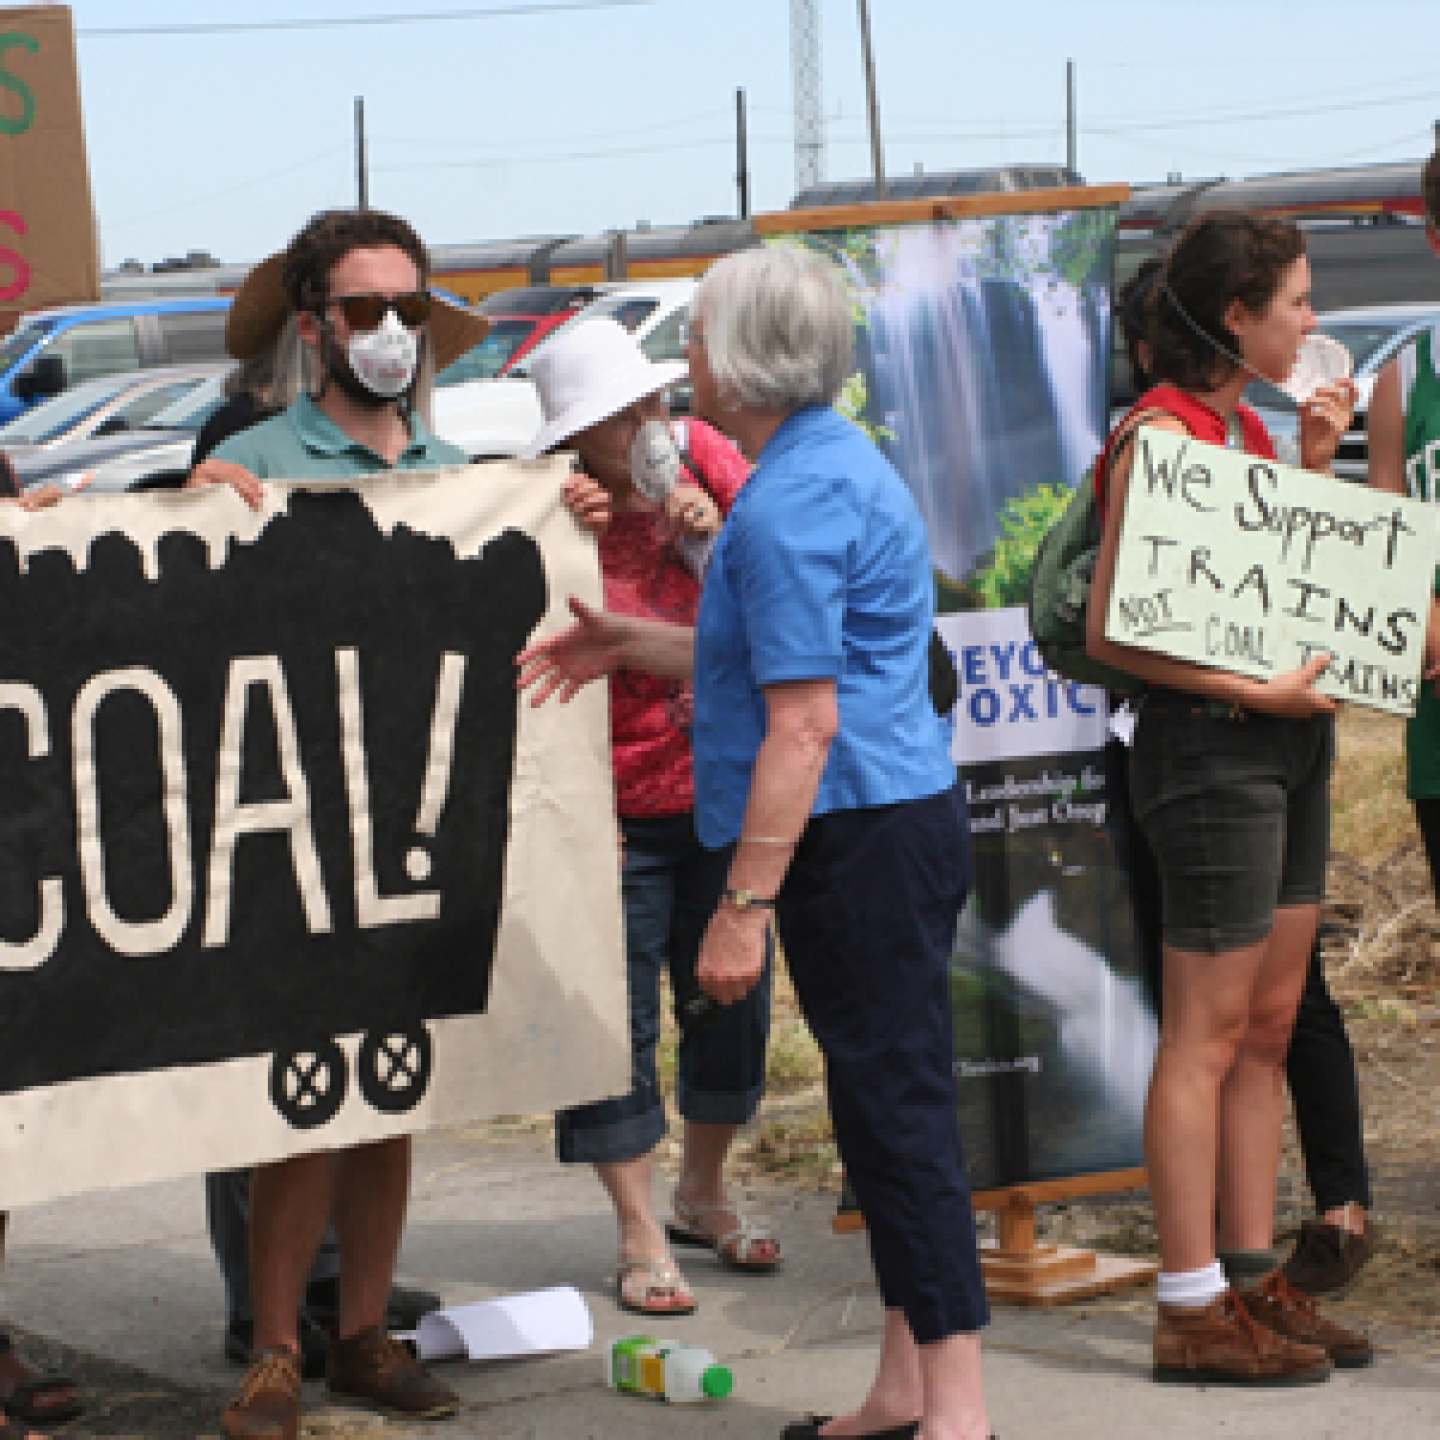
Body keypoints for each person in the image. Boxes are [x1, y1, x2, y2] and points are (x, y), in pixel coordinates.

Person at [519, 245, 992, 1440]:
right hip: (877, 822)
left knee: (899, 1116)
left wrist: (742, 906)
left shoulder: (783, 504)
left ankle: (962, 1416)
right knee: (882, 1112)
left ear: (744, 358)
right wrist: (629, 642)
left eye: (693, 336)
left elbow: (803, 722)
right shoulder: (823, 469)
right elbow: (772, 667)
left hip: (856, 836)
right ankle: (907, 1388)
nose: (679, 362)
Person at [188, 206, 491, 1440]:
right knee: (298, 1099)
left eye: (405, 311)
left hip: (418, 829)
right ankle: (273, 1349)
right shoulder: (257, 455)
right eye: (363, 309)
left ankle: (361, 1335)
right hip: (295, 830)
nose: (386, 332)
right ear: (314, 326)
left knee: (391, 1095)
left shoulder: (472, 481)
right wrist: (188, 505)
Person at [1085, 210, 1372, 1383]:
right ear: (1238, 316)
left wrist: (1313, 472)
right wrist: (1257, 687)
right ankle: (1188, 1302)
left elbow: (1274, 590)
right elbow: (1117, 627)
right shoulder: (1158, 435)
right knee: (1204, 1038)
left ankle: (1254, 1281)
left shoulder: (1243, 430)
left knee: (1263, 1028)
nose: (1312, 324)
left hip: (1284, 748)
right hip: (1210, 756)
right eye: (1296, 302)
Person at [522, 317, 779, 1317]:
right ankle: (636, 1231)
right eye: (616, 414)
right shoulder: (553, 503)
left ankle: (702, 1190)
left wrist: (712, 527)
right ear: (571, 437)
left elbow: (775, 600)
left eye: (651, 401)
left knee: (732, 997)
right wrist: (559, 522)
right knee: (611, 1023)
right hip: (610, 803)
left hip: (719, 787)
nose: (646, 423)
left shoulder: (710, 461)